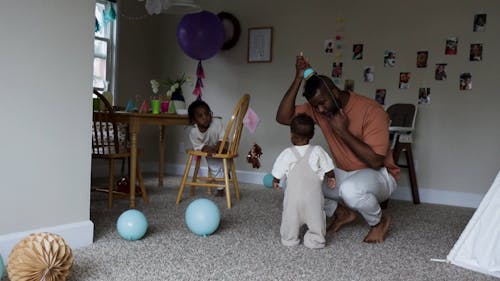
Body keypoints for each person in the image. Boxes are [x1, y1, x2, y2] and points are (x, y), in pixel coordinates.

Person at [276, 54, 400, 243]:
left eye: (322, 103)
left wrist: (343, 131)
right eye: (316, 107)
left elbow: (376, 161)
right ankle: (340, 212)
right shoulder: (318, 108)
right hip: (343, 173)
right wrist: (298, 77)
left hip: (380, 175)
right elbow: (283, 118)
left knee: (351, 190)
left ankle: (379, 222)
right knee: (291, 180)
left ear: (334, 92)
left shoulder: (372, 110)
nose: (321, 110)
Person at [272, 114, 336, 249]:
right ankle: (316, 240)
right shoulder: (318, 151)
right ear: (312, 134)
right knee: (316, 219)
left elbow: (278, 171)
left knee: (290, 219)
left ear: (291, 134)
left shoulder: (287, 153)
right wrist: (331, 177)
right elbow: (328, 167)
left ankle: (290, 239)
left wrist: (276, 180)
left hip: (293, 200)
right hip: (313, 200)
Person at [187, 100, 225, 196]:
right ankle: (220, 188)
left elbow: (223, 137)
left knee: (225, 157)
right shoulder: (194, 132)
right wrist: (207, 149)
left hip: (223, 144)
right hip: (209, 150)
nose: (205, 117)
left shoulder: (217, 122)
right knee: (213, 163)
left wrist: (217, 147)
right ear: (194, 120)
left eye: (207, 114)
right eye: (200, 116)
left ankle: (225, 173)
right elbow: (198, 146)